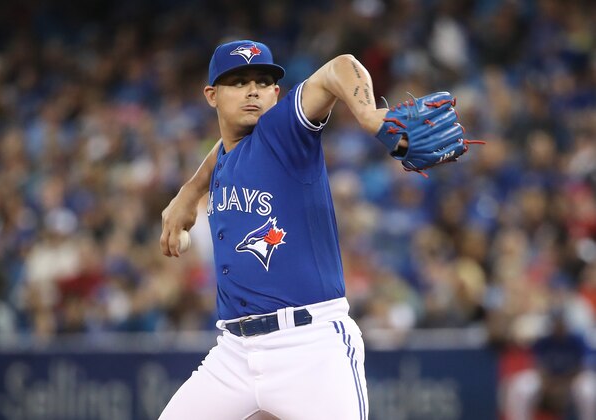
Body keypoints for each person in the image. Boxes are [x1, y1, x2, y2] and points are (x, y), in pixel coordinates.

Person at [158, 39, 465, 419]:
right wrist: (189, 192)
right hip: (234, 353)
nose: (252, 89)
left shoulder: (284, 130)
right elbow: (224, 149)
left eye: (262, 81)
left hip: (310, 347)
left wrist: (369, 114)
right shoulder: (226, 153)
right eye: (238, 82)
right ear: (212, 95)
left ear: (276, 92)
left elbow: (340, 66)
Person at [504, 309, 596, 420]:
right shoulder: (544, 341)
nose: (559, 326)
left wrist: (563, 384)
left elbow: (582, 366)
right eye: (556, 323)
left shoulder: (577, 340)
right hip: (547, 381)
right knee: (520, 387)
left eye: (561, 323)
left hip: (572, 380)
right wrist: (548, 383)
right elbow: (538, 365)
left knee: (588, 389)